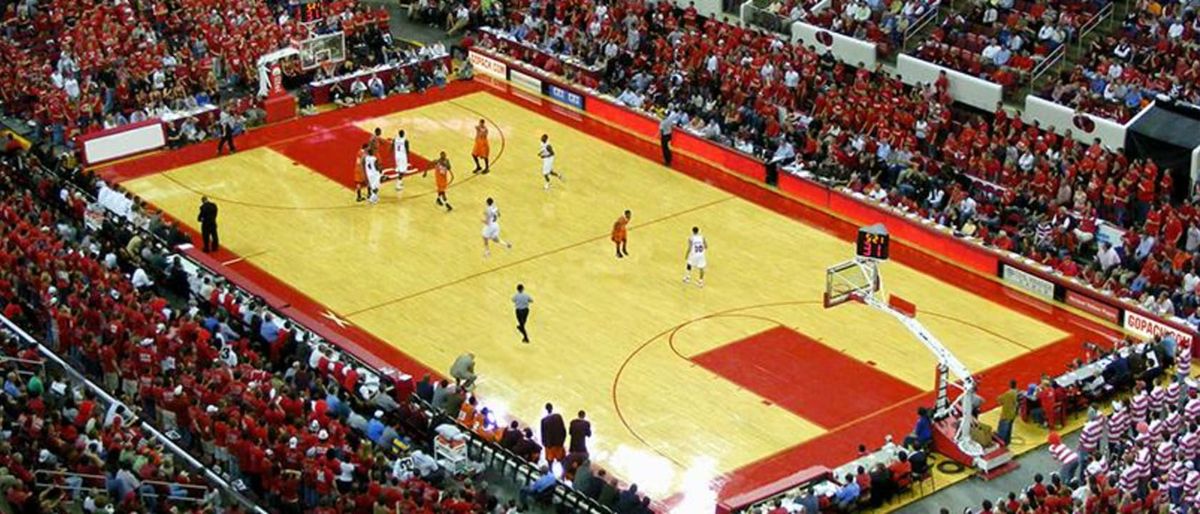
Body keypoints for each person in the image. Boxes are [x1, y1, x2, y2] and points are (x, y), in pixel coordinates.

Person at [996, 380, 1019, 446]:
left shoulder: (1008, 394)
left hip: (1007, 414)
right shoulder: (1016, 392)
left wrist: (999, 397)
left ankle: (1002, 442)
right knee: (1009, 428)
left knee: (1003, 429)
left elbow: (1000, 400)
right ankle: (1007, 441)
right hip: (1013, 413)